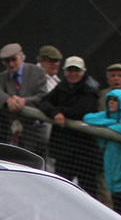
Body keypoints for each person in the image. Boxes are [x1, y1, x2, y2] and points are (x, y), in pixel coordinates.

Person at [39, 55, 102, 194]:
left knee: (88, 193)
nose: (73, 74)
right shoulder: (62, 86)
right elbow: (44, 102)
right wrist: (55, 113)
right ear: (65, 71)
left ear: (83, 71)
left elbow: (82, 111)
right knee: (61, 191)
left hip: (86, 153)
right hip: (64, 151)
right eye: (69, 70)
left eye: (76, 71)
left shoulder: (90, 89)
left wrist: (58, 111)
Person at [0, 43, 50, 155]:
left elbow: (42, 95)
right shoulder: (3, 76)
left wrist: (24, 101)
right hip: (13, 131)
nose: (11, 64)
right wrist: (8, 100)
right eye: (7, 61)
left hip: (35, 129)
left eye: (14, 60)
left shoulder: (37, 72)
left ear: (22, 56)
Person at [83, 87, 121, 218]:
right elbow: (88, 118)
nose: (112, 102)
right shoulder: (108, 115)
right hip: (111, 170)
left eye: (116, 100)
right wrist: (112, 123)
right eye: (110, 99)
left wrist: (106, 127)